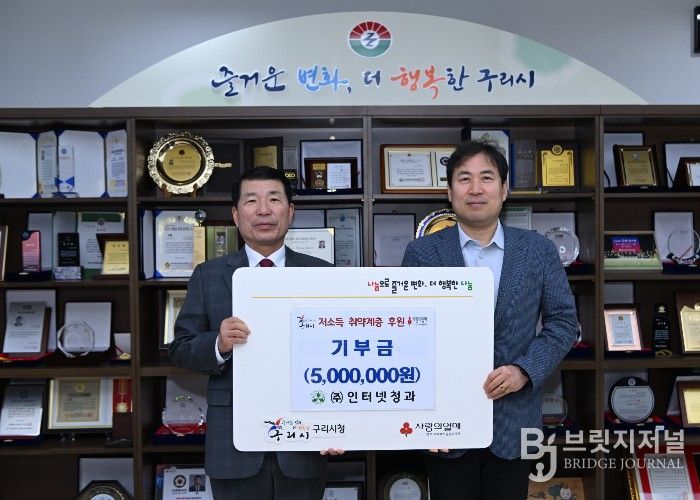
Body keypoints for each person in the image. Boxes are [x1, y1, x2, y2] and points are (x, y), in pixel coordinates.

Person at [401, 140, 578, 499]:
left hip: (513, 423)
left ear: (504, 189)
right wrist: (422, 419)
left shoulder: (537, 250)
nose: (476, 188)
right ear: (449, 192)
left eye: (486, 177)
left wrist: (524, 370)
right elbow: (407, 336)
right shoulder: (422, 252)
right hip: (445, 425)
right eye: (464, 178)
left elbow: (563, 322)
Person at [170, 166, 341, 500]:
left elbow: (343, 353)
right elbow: (180, 349)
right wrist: (218, 344)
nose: (264, 210)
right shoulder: (208, 275)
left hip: (305, 442)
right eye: (251, 200)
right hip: (232, 444)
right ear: (236, 215)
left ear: (290, 212)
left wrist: (340, 424)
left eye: (274, 199)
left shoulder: (322, 274)